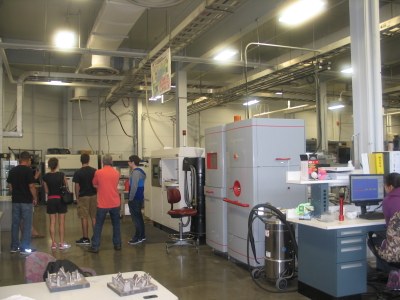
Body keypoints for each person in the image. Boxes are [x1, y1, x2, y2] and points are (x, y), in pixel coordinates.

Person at [88, 154, 121, 253]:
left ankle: (95, 246)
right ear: (111, 162)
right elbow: (115, 184)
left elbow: (94, 184)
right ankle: (117, 245)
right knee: (116, 225)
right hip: (115, 202)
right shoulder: (116, 173)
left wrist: (100, 187)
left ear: (103, 162)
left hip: (102, 203)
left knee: (98, 225)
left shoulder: (98, 172)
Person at [7, 151, 38, 255]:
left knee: (15, 224)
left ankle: (14, 247)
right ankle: (25, 247)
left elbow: (10, 187)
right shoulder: (28, 171)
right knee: (27, 224)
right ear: (28, 160)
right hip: (26, 201)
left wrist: (16, 192)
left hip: (15, 201)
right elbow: (31, 186)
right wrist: (35, 197)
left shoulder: (12, 171)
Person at [368, 172, 400, 267]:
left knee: (371, 240)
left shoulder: (388, 200)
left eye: (385, 186)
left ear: (390, 187)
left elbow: (389, 227)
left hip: (396, 251)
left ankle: (391, 272)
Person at [42, 157, 71, 250]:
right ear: (57, 165)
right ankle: (62, 243)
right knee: (61, 223)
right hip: (60, 200)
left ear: (49, 166)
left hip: (51, 200)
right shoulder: (62, 175)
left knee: (52, 222)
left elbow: (46, 191)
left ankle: (53, 243)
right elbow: (66, 186)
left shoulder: (45, 177)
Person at [72, 153, 97, 245]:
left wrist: (77, 197)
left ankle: (85, 238)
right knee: (94, 217)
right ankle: (96, 237)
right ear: (89, 160)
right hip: (94, 196)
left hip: (83, 197)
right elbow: (97, 184)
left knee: (84, 217)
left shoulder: (78, 172)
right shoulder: (94, 171)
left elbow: (77, 186)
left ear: (81, 160)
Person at [127, 155, 147, 245]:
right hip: (139, 198)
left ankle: (137, 237)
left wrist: (130, 199)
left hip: (135, 199)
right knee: (139, 218)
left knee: (136, 219)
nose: (128, 163)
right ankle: (142, 236)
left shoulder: (135, 173)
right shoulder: (139, 172)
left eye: (129, 161)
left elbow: (134, 187)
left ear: (133, 162)